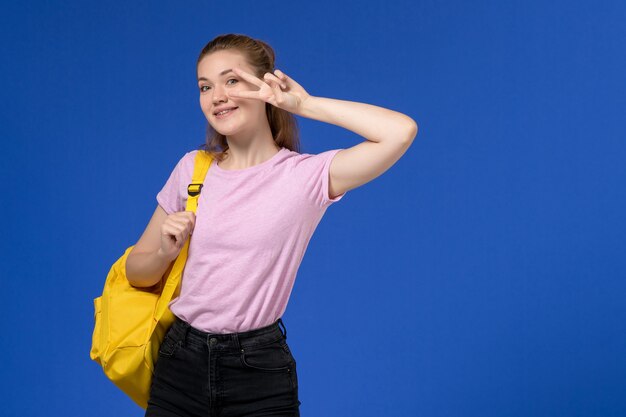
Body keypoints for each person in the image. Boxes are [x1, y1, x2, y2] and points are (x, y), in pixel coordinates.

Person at [125, 33, 418, 417]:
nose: (217, 96)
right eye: (205, 86)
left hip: (258, 370)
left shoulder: (304, 177)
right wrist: (166, 252)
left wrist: (305, 105)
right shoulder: (193, 170)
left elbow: (400, 132)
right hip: (180, 360)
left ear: (266, 85)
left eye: (232, 80)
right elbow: (136, 272)